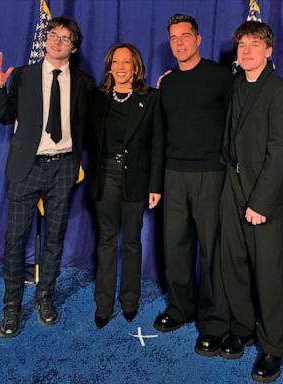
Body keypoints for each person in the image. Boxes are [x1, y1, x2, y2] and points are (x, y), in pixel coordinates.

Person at [0, 17, 93, 338]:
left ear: (74, 47)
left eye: (64, 38)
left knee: (55, 236)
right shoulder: (22, 76)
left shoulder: (84, 83)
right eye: (52, 35)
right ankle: (11, 306)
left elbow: (93, 123)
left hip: (63, 168)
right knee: (15, 238)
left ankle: (45, 296)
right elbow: (6, 116)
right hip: (27, 167)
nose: (56, 41)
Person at [219, 21, 283, 382]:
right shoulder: (235, 86)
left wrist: (261, 203)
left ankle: (272, 347)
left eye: (254, 44)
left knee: (268, 272)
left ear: (269, 51)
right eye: (242, 45)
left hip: (261, 194)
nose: (246, 50)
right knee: (234, 264)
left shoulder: (279, 91)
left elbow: (279, 152)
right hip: (231, 187)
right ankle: (243, 327)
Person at [153, 13, 233, 357]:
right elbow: (159, 136)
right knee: (175, 246)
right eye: (173, 38)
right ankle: (180, 308)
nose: (179, 43)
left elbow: (235, 126)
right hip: (173, 175)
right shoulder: (167, 83)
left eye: (185, 36)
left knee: (213, 249)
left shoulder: (219, 77)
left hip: (211, 175)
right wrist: (156, 182)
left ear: (198, 39)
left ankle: (215, 323)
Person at [87, 43, 164, 328]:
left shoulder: (151, 98)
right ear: (109, 67)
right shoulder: (97, 98)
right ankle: (103, 304)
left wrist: (155, 185)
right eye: (115, 62)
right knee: (107, 240)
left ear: (136, 67)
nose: (120, 68)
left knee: (132, 241)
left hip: (136, 179)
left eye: (126, 62)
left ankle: (130, 301)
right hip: (104, 176)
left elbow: (158, 145)